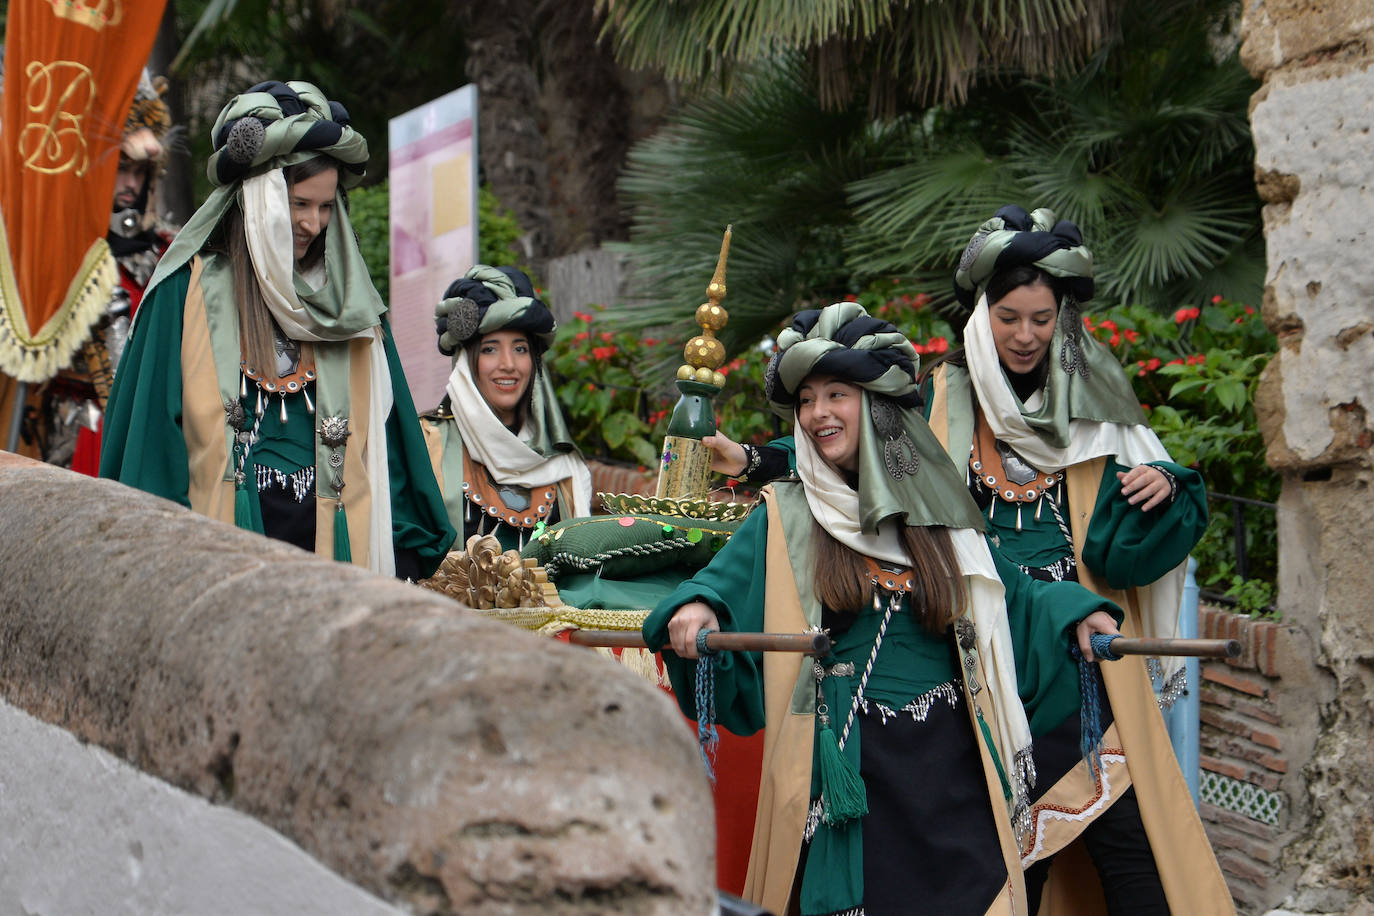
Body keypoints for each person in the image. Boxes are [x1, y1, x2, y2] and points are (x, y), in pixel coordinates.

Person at [644, 302, 1129, 916]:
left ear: (876, 404)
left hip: (956, 777)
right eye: (807, 400)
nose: (818, 413)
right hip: (850, 778)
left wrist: (1078, 612)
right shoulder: (788, 515)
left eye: (837, 394)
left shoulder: (939, 512)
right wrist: (699, 611)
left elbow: (1016, 593)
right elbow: (718, 585)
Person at [924, 205, 1233, 914]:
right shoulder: (940, 399)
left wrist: (1165, 486)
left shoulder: (1098, 399)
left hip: (1086, 660)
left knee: (1128, 846)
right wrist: (759, 460)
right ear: (981, 315)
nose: (1026, 335)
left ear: (1064, 318)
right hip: (978, 658)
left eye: (1042, 318)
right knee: (1001, 855)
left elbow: (1143, 524)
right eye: (1009, 317)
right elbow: (872, 474)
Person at [100, 80, 454, 580]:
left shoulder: (351, 309)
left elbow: (392, 453)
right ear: (259, 198)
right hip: (214, 578)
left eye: (327, 206)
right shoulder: (183, 294)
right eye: (299, 204)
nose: (314, 223)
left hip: (339, 577)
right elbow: (151, 458)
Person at [35, 69, 178, 474]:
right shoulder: (61, 251)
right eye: (120, 169)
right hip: (77, 427)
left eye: (138, 172)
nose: (130, 184)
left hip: (151, 427)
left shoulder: (168, 249)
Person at [420, 265, 591, 551]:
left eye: (520, 348)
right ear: (465, 361)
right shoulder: (427, 446)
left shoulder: (564, 466)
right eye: (490, 349)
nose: (508, 364)